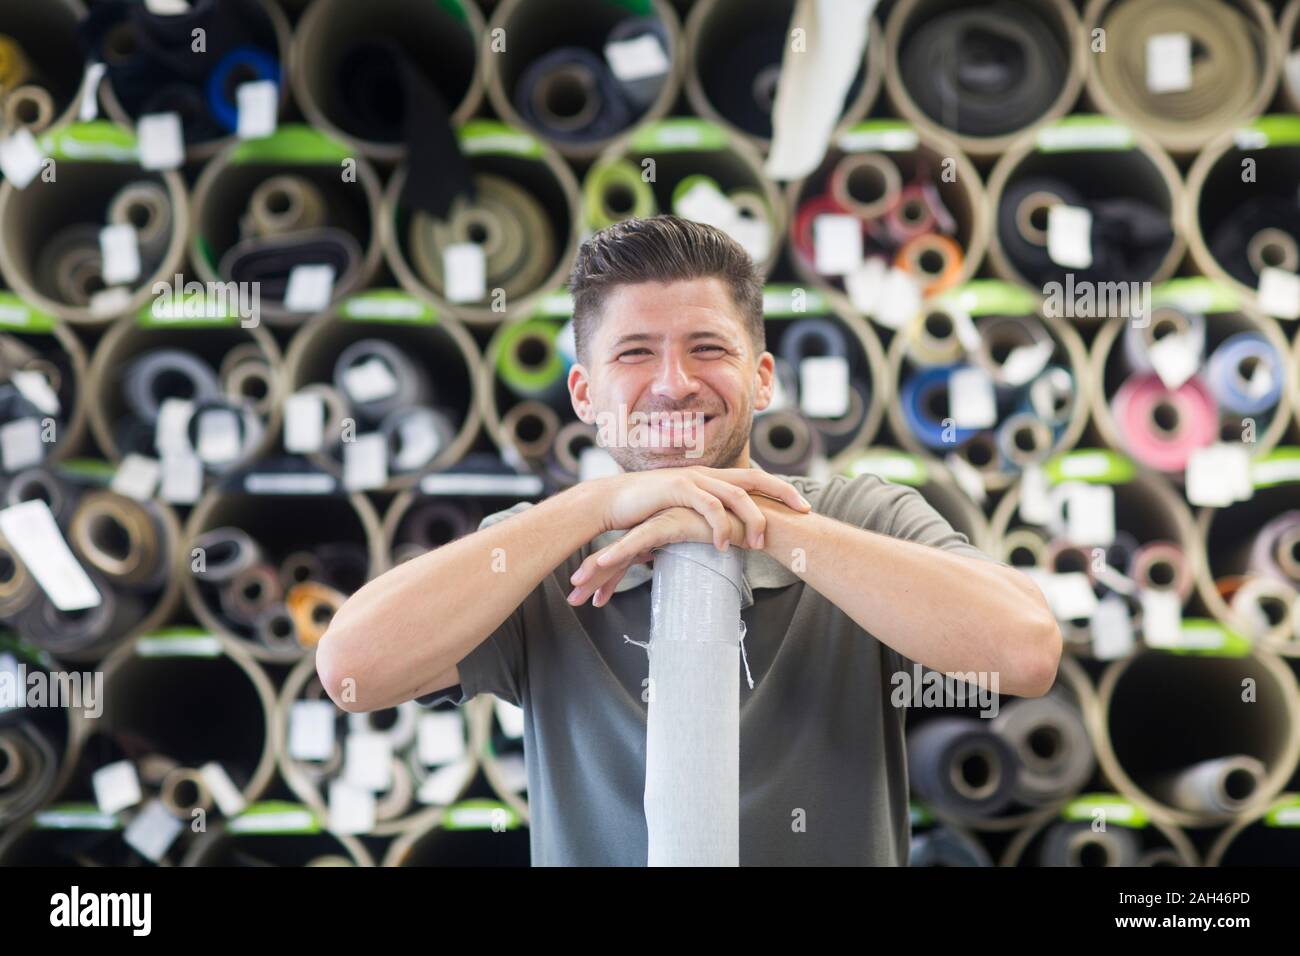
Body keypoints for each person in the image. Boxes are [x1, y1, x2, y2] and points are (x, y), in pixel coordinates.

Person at [316, 214, 1062, 865]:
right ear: (584, 393)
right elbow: (354, 669)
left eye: (708, 348)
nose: (673, 383)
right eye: (634, 353)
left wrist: (755, 520)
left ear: (762, 377)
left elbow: (1025, 652)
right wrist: (599, 504)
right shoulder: (540, 555)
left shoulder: (861, 520)